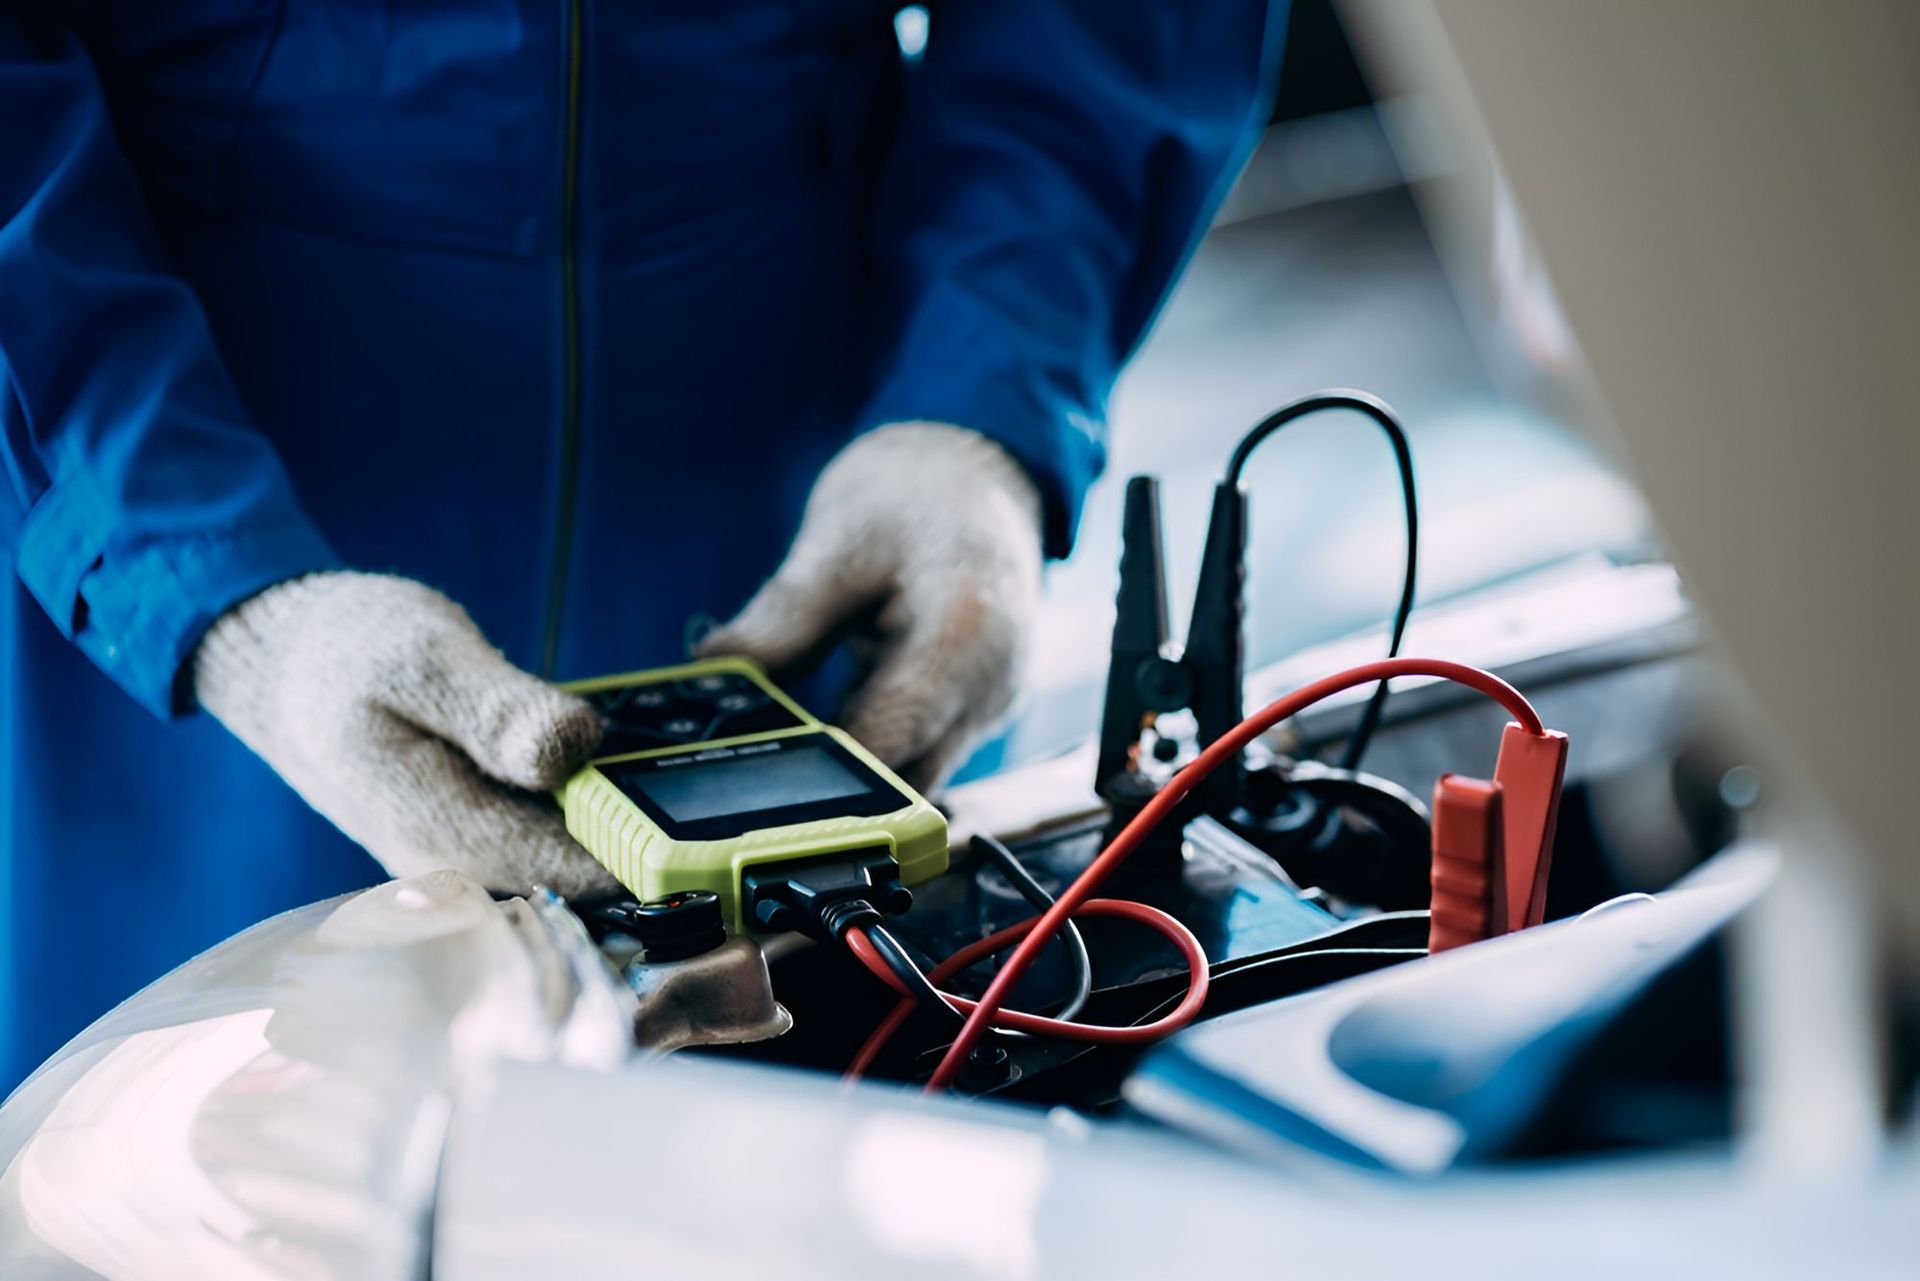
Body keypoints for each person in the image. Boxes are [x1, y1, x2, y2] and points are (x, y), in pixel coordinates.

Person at [0, 1, 1281, 1090]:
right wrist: (213, 593)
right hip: (177, 462)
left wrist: (984, 395)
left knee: (844, 1100)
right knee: (184, 1146)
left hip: (817, 450)